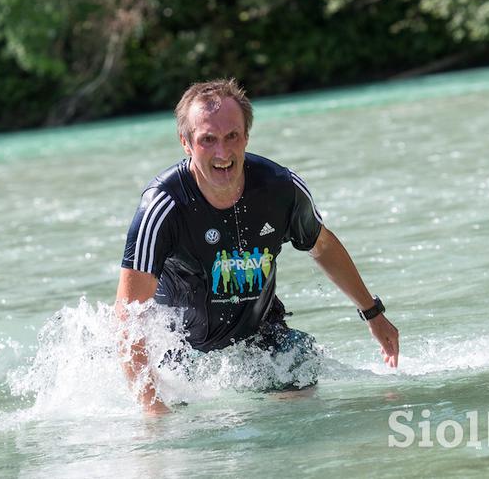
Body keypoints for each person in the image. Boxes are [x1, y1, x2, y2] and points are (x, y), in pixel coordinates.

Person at [115, 78, 399, 414]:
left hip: (260, 342)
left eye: (231, 136)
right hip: (182, 357)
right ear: (186, 143)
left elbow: (321, 246)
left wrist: (372, 313)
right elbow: (128, 314)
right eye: (208, 140)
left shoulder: (280, 188)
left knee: (298, 371)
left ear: (246, 136)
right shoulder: (163, 207)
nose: (222, 153)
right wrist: (152, 407)